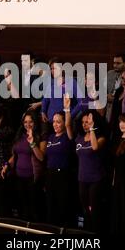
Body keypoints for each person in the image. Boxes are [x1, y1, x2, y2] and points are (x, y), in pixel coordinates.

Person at [1, 111, 46, 221]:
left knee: (34, 210)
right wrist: (7, 165)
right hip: (19, 177)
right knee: (23, 209)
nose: (28, 124)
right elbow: (15, 155)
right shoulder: (20, 135)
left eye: (31, 122)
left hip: (33, 179)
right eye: (25, 122)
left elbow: (41, 157)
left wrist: (32, 143)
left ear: (35, 122)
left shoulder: (41, 136)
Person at [43, 94, 76, 226]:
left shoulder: (67, 136)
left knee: (62, 208)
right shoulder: (51, 137)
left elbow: (68, 125)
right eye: (54, 121)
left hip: (63, 176)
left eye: (59, 121)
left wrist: (67, 109)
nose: (55, 124)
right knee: (50, 207)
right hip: (50, 175)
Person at [73, 110, 107, 233]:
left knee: (95, 209)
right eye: (83, 122)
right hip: (82, 178)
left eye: (87, 122)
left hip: (96, 179)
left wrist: (92, 129)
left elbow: (95, 147)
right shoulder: (79, 138)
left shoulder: (101, 137)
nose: (84, 124)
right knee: (86, 209)